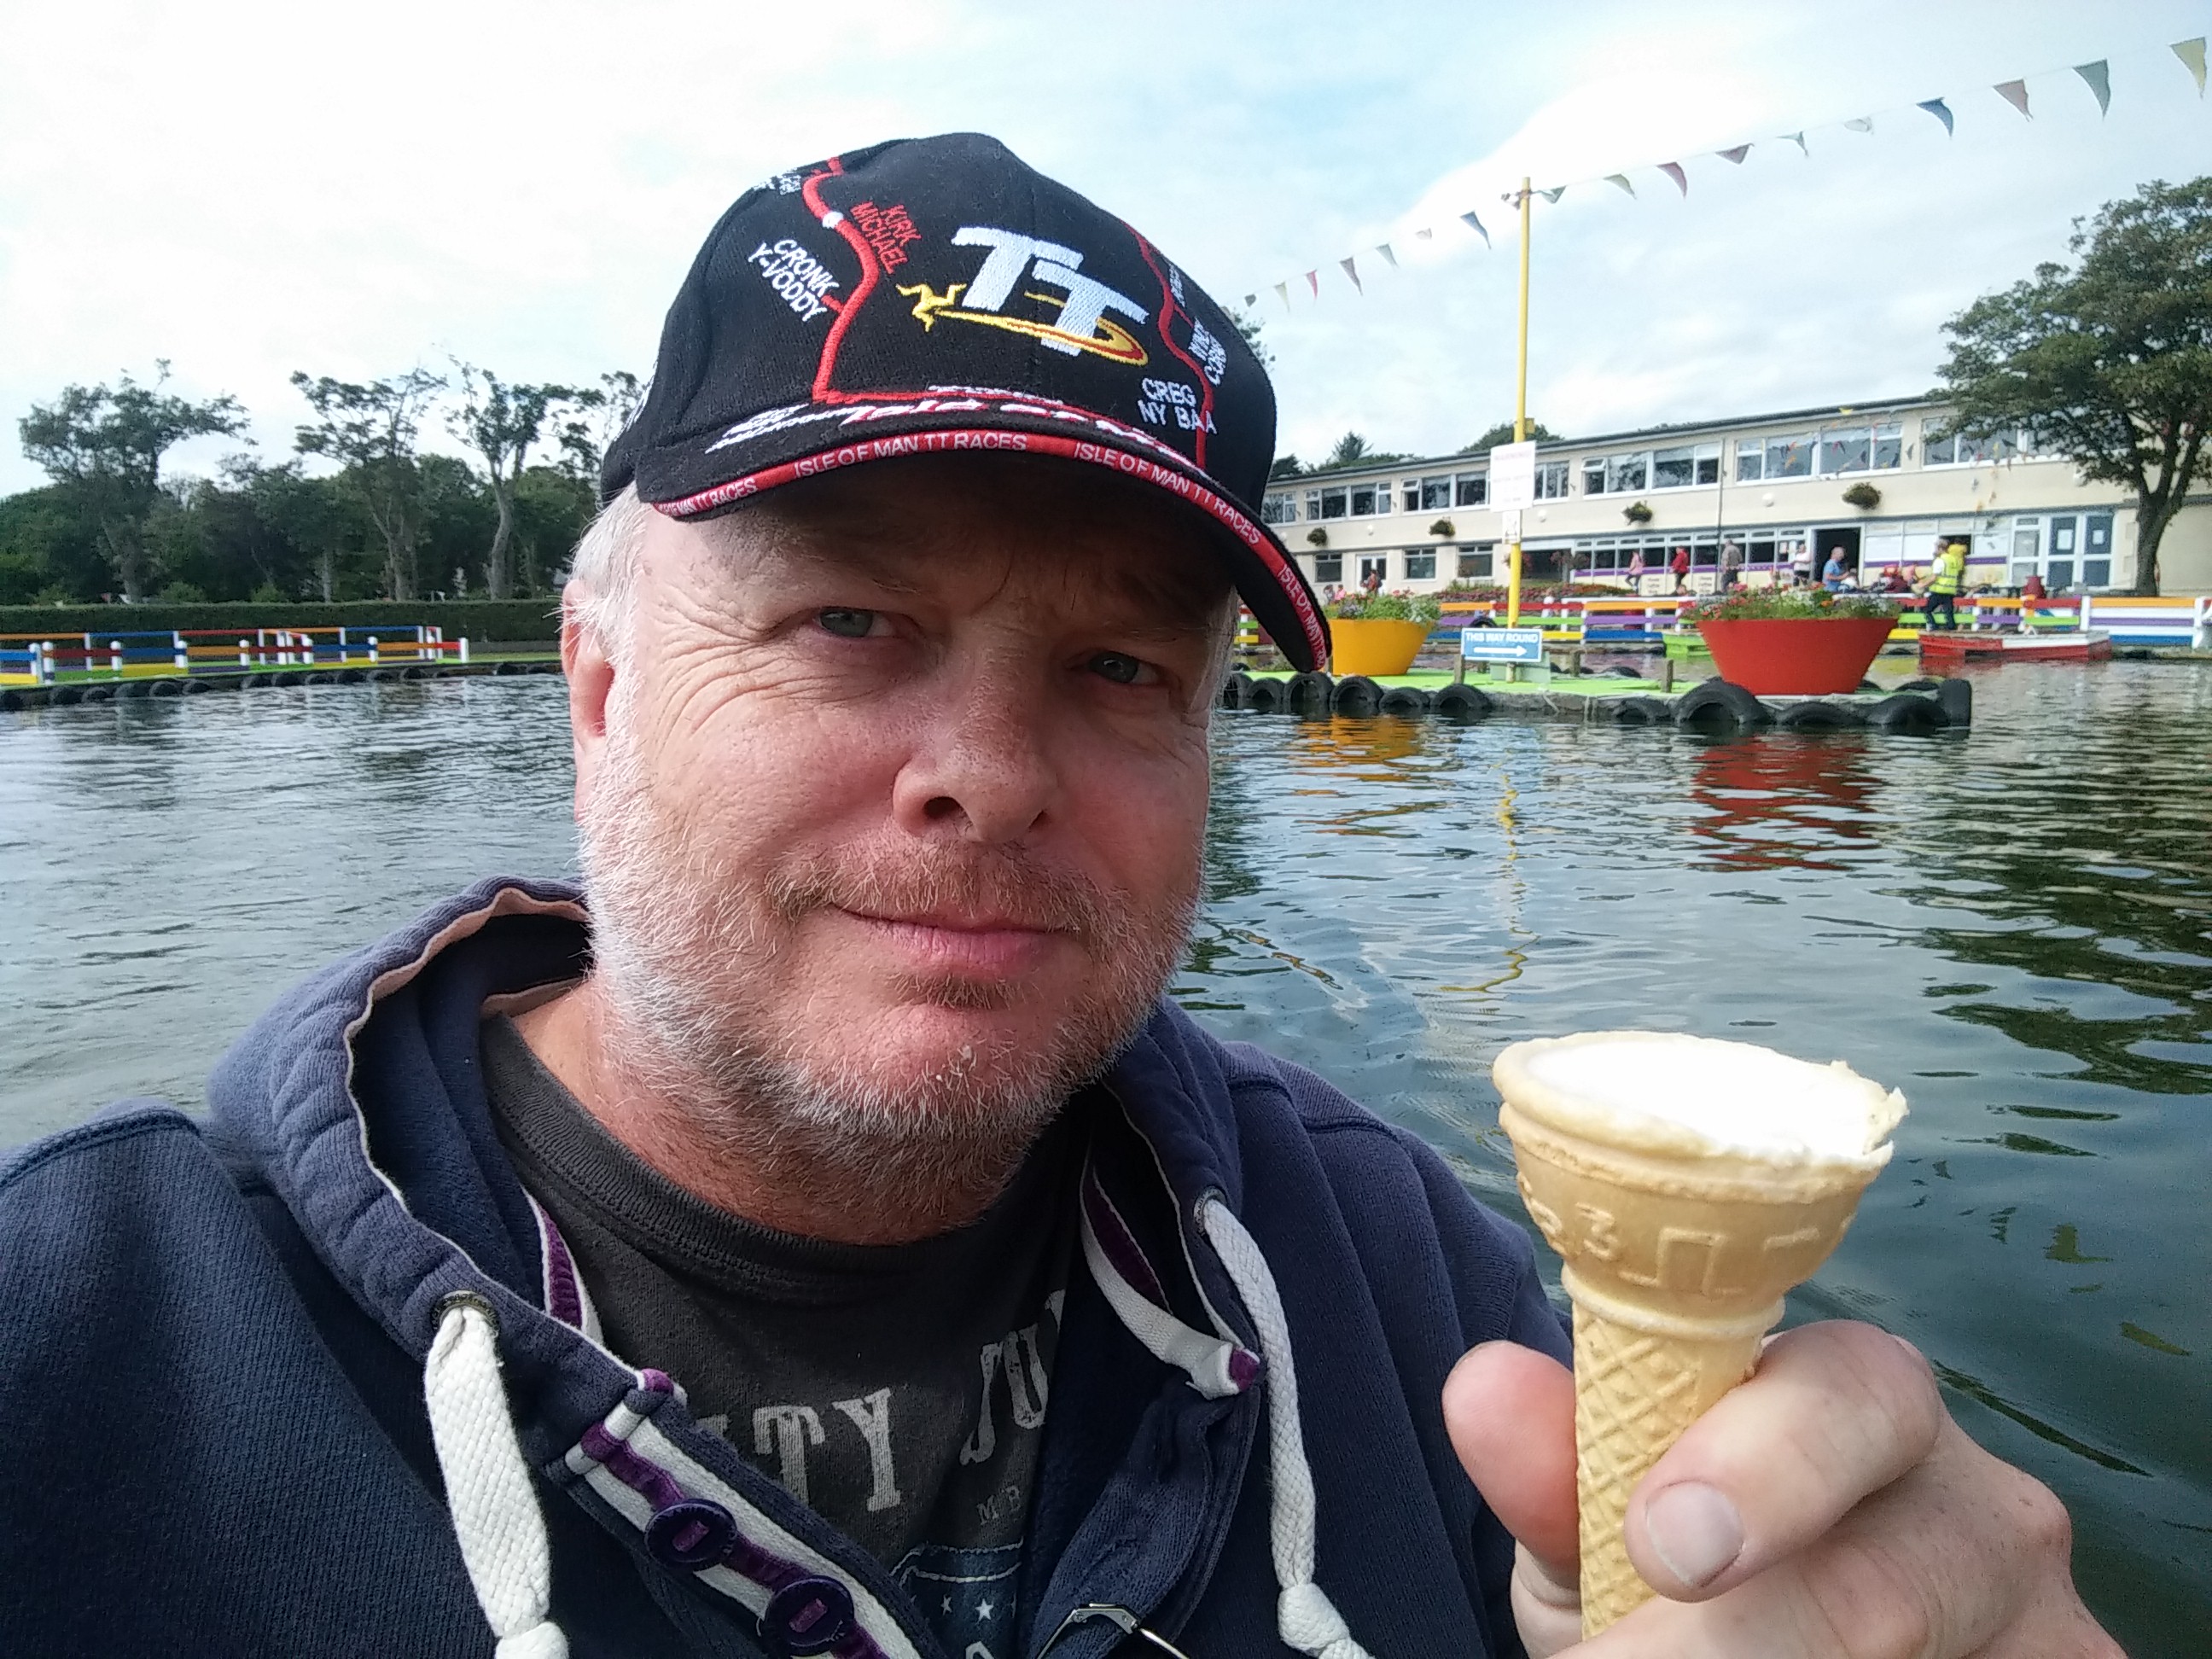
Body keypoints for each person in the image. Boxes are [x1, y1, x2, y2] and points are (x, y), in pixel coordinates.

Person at [0, 134, 2115, 1659]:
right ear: (603, 680)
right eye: (845, 619)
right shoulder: (90, 1363)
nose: (991, 779)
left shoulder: (1381, 1260)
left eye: (1121, 668)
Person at [1926, 538, 1970, 631]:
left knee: (1926, 610)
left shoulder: (1939, 560)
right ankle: (1951, 631)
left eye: (1935, 548)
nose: (1934, 550)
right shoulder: (1953, 559)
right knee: (1949, 613)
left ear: (1940, 548)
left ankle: (1934, 628)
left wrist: (1922, 585)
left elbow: (1934, 578)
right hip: (1950, 591)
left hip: (1939, 590)